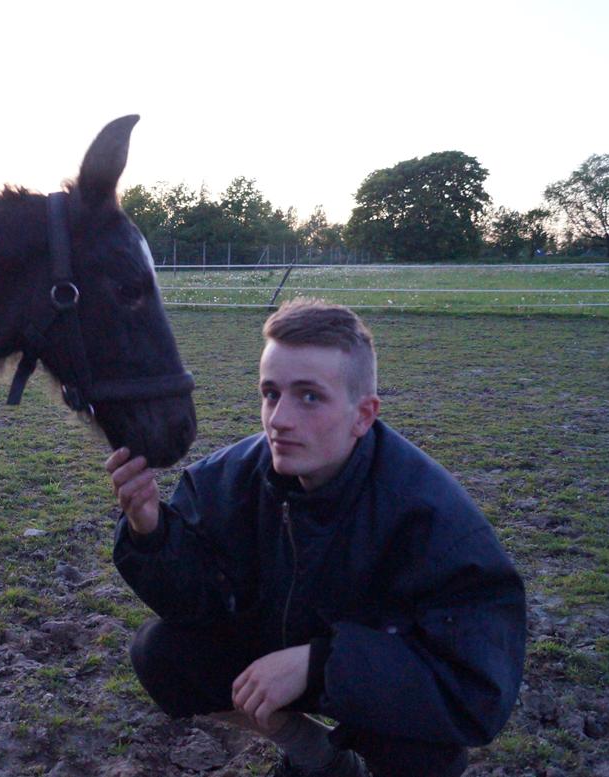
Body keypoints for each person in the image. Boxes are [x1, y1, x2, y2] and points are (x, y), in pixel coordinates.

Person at [106, 299, 525, 777]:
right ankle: (317, 756)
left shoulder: (433, 519)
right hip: (279, 656)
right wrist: (152, 530)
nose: (279, 419)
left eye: (309, 396)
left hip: (360, 679)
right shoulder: (230, 478)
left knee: (428, 755)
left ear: (363, 415)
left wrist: (320, 663)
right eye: (270, 393)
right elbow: (198, 603)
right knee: (162, 653)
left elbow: (474, 688)